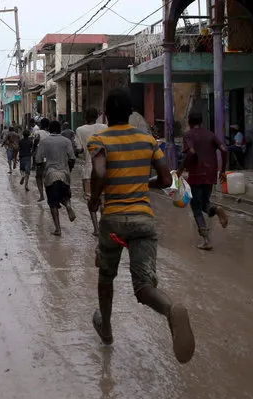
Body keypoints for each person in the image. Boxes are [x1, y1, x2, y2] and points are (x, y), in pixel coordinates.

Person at [87, 88, 195, 364]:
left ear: (107, 114)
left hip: (113, 220)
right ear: (131, 113)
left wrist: (95, 198)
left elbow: (99, 171)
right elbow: (165, 179)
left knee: (106, 278)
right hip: (143, 220)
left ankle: (107, 330)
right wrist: (144, 184)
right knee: (144, 286)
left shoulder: (100, 139)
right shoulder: (148, 140)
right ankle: (171, 310)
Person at [177, 111, 229, 250]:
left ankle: (206, 240)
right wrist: (222, 170)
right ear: (201, 122)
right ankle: (217, 209)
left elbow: (191, 152)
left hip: (196, 174)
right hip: (211, 173)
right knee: (205, 203)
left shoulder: (188, 135)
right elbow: (224, 149)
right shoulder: (210, 134)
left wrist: (181, 170)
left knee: (195, 207)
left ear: (189, 122)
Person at [35, 120, 76, 236]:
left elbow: (39, 159)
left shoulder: (44, 141)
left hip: (50, 175)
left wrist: (41, 170)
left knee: (52, 203)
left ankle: (58, 229)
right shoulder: (66, 141)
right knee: (65, 196)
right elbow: (72, 158)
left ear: (48, 128)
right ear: (60, 130)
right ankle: (68, 205)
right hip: (64, 174)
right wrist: (69, 170)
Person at [76, 108, 108, 236]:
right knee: (103, 200)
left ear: (85, 117)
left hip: (88, 171)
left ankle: (96, 229)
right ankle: (104, 226)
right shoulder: (105, 127)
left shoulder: (80, 130)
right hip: (104, 170)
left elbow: (79, 149)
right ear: (97, 116)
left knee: (91, 200)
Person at [33, 118, 51, 201]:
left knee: (38, 177)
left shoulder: (38, 133)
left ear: (40, 124)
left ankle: (41, 195)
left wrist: (33, 151)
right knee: (48, 177)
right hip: (50, 158)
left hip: (40, 158)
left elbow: (35, 143)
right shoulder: (50, 134)